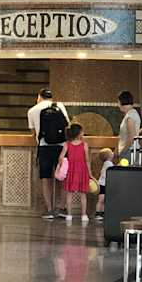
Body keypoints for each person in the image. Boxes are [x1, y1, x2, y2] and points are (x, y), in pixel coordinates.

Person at [27, 87, 70, 220]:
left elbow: (33, 133)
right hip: (61, 147)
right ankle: (62, 208)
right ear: (51, 97)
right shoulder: (59, 106)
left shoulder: (32, 110)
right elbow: (67, 125)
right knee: (63, 177)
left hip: (44, 147)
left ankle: (50, 210)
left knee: (46, 179)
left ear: (39, 97)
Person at [59, 122, 91, 223]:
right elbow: (87, 160)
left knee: (69, 194)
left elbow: (61, 157)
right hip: (82, 171)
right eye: (82, 131)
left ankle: (69, 215)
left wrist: (62, 166)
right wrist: (90, 173)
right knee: (83, 195)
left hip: (70, 171)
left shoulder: (67, 144)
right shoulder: (84, 145)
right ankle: (84, 215)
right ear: (79, 133)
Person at [117, 91, 141, 161]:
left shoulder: (130, 116)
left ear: (121, 102)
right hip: (129, 150)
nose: (118, 105)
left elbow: (131, 137)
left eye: (118, 102)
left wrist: (122, 152)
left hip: (129, 151)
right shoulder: (130, 114)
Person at [95, 147, 115, 221]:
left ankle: (102, 213)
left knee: (103, 200)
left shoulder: (107, 163)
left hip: (104, 184)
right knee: (101, 200)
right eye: (111, 152)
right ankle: (98, 213)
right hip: (103, 184)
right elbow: (109, 172)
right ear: (109, 156)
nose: (113, 153)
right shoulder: (108, 163)